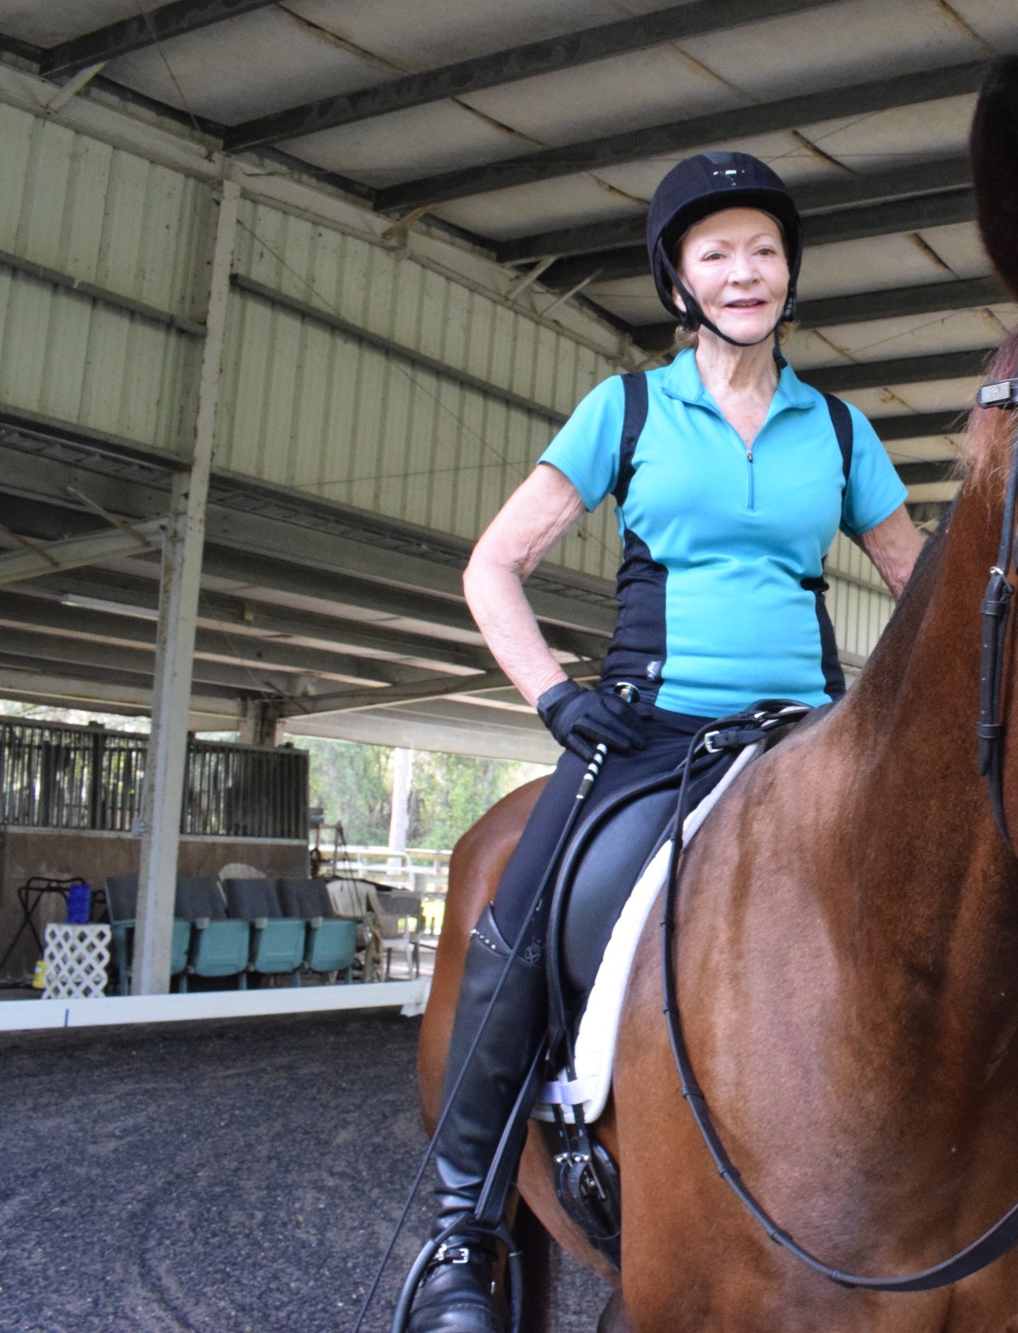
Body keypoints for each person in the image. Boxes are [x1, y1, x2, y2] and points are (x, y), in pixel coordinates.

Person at [405, 151, 922, 1333]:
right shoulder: (627, 408)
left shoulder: (837, 429)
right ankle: (458, 1235)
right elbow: (494, 566)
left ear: (789, 274)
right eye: (715, 253)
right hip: (642, 729)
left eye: (763, 250)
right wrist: (550, 696)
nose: (744, 271)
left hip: (804, 730)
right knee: (514, 920)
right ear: (678, 281)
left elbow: (922, 587)